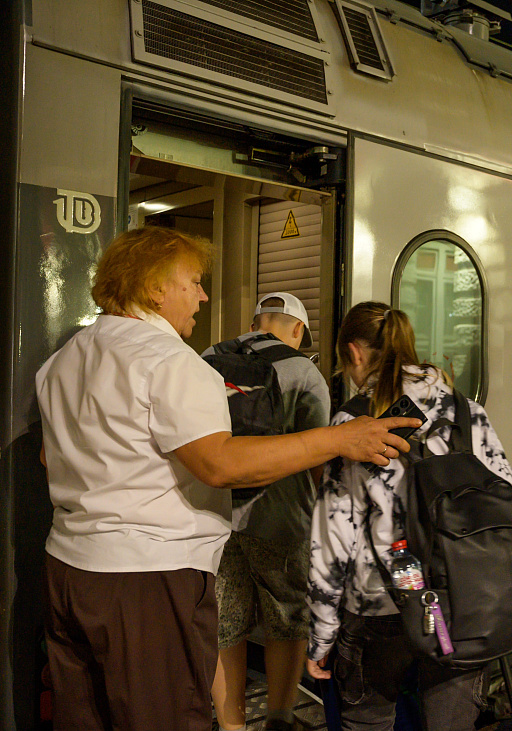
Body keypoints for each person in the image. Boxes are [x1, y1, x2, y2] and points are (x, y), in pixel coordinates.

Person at [34, 227, 419, 731]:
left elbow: (49, 457)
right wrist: (339, 439)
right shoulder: (169, 360)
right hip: (149, 581)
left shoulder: (66, 357)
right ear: (155, 288)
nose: (203, 295)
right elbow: (218, 463)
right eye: (193, 281)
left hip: (68, 569)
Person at [306, 302, 512, 730]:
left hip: (379, 607)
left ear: (354, 352)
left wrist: (321, 635)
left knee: (367, 722)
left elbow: (333, 537)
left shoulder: (352, 422)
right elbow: (504, 496)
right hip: (460, 599)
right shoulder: (465, 410)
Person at [208, 293, 331, 731]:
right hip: (280, 522)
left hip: (216, 518)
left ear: (255, 323)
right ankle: (279, 719)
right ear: (297, 329)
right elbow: (320, 453)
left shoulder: (207, 359)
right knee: (286, 620)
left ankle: (231, 725)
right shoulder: (303, 370)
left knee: (224, 623)